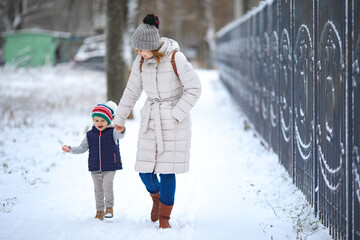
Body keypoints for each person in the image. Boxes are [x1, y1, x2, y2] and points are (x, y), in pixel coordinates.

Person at [113, 14, 201, 229]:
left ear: (152, 47)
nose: (138, 53)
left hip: (173, 121)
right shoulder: (141, 61)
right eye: (136, 50)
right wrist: (120, 118)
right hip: (151, 117)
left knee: (167, 170)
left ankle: (164, 218)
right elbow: (132, 90)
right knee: (144, 170)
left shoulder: (176, 58)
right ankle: (157, 197)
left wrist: (176, 113)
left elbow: (194, 88)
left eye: (140, 49)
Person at [62, 101, 125, 221]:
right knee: (98, 190)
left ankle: (109, 208)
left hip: (110, 166)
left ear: (108, 120)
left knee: (107, 185)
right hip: (95, 167)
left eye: (102, 120)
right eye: (96, 120)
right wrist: (71, 149)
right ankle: (99, 210)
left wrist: (121, 130)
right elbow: (82, 148)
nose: (99, 123)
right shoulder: (90, 135)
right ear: (93, 121)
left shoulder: (112, 132)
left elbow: (120, 135)